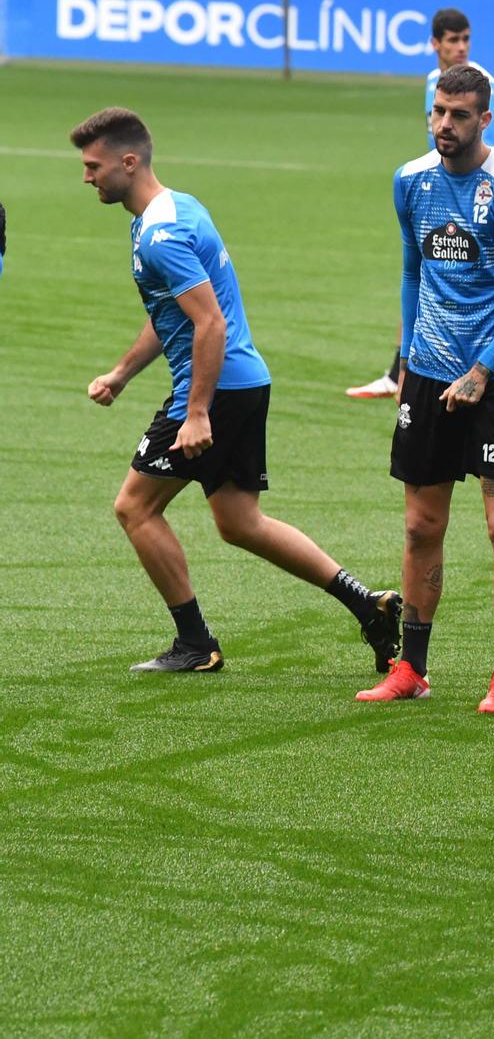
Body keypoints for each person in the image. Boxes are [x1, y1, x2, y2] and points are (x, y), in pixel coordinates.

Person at [73, 107, 401, 674]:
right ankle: (367, 605)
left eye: (93, 166)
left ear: (129, 162)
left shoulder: (161, 234)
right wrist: (123, 373)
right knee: (239, 522)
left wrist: (196, 412)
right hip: (242, 383)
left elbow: (210, 324)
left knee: (134, 508)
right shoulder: (176, 207)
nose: (87, 177)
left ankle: (196, 644)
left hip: (215, 391)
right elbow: (175, 312)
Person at [358, 64, 494, 711]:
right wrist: (409, 354)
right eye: (438, 111)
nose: (445, 124)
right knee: (420, 525)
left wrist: (484, 369)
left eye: (460, 114)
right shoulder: (409, 182)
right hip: (429, 376)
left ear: (485, 119)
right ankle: (411, 667)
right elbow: (412, 270)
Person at [348, 8, 494, 405]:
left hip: (474, 198)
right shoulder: (434, 83)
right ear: (435, 44)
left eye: (466, 39)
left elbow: (487, 150)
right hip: (439, 191)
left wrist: (472, 198)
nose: (461, 47)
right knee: (431, 274)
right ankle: (403, 366)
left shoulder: (484, 83)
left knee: (481, 283)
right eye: (453, 40)